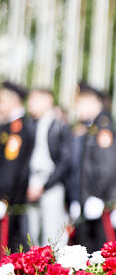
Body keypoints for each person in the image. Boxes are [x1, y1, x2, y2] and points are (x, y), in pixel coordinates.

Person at [68, 83, 116, 252]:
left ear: (92, 102)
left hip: (100, 202)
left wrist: (98, 196)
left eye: (79, 103)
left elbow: (107, 166)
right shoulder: (91, 127)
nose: (77, 108)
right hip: (87, 200)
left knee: (103, 253)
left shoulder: (103, 126)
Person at [26, 88, 72, 246]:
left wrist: (45, 185)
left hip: (52, 182)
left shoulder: (60, 126)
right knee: (31, 233)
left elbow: (65, 161)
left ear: (48, 100)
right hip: (32, 182)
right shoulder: (30, 125)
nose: (31, 104)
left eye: (35, 99)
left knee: (51, 232)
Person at [0, 81, 35, 251]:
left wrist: (4, 197)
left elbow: (11, 167)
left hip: (10, 199)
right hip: (9, 199)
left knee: (8, 247)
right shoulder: (9, 126)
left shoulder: (17, 128)